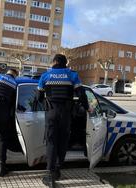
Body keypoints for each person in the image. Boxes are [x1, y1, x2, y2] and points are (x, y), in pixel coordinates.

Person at [37, 54, 91, 188]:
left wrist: (45, 102)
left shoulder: (45, 76)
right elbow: (81, 94)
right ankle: (57, 169)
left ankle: (49, 175)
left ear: (54, 62)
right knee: (63, 142)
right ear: (65, 63)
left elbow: (38, 96)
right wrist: (87, 108)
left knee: (51, 142)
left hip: (51, 113)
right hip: (66, 114)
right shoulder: (72, 75)